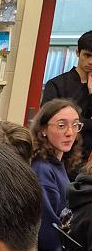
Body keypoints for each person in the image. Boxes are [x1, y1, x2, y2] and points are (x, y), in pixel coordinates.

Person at [30, 98, 82, 251]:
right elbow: (46, 233)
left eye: (75, 125)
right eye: (61, 125)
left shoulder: (57, 162)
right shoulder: (43, 169)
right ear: (43, 130)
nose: (70, 132)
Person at [41, 30, 92, 158]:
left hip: (86, 155)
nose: (91, 61)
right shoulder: (56, 84)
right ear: (77, 53)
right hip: (57, 153)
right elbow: (48, 120)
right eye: (87, 55)